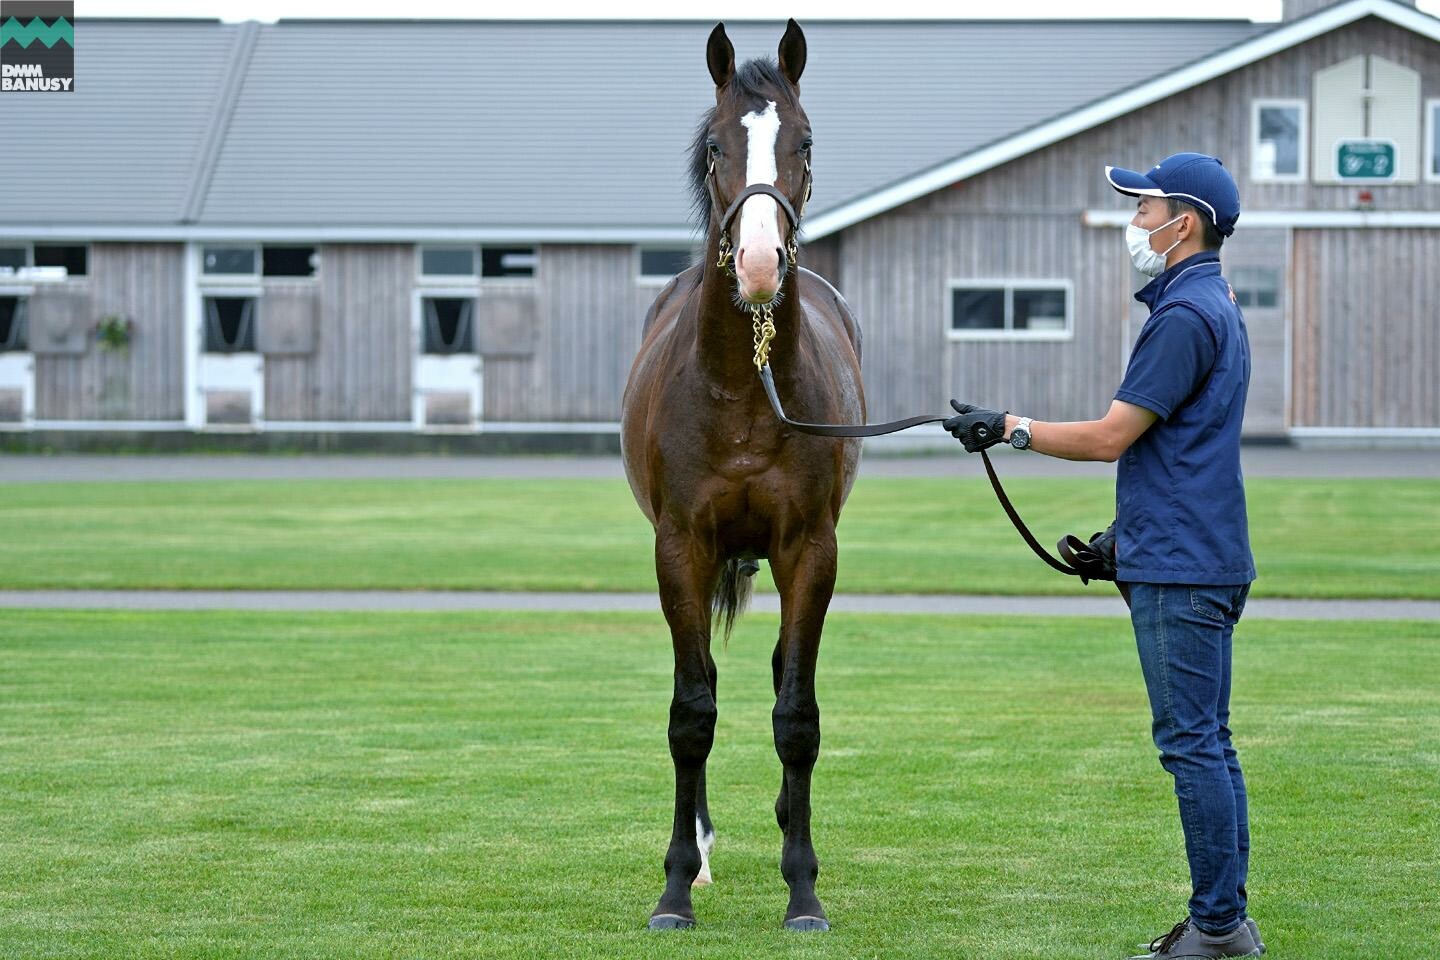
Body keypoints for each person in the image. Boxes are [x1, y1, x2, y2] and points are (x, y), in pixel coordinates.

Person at [944, 153, 1262, 960]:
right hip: (1190, 553)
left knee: (1191, 746)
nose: (1136, 223)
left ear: (1182, 223)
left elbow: (1111, 435)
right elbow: (1178, 452)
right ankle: (1224, 917)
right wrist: (1131, 539)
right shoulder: (1209, 301)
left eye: (1145, 208)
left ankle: (1218, 929)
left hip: (1184, 570)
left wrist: (1009, 426)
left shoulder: (1185, 315)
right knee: (1209, 743)